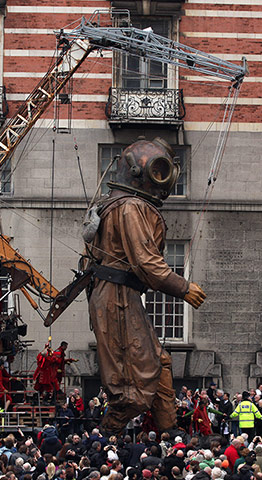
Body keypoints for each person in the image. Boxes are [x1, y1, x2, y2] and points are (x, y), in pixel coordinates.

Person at [83, 138, 206, 434]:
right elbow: (146, 262)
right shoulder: (131, 207)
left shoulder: (114, 204)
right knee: (133, 385)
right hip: (117, 295)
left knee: (158, 362)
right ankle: (106, 434)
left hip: (119, 293)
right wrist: (182, 287)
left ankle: (168, 431)